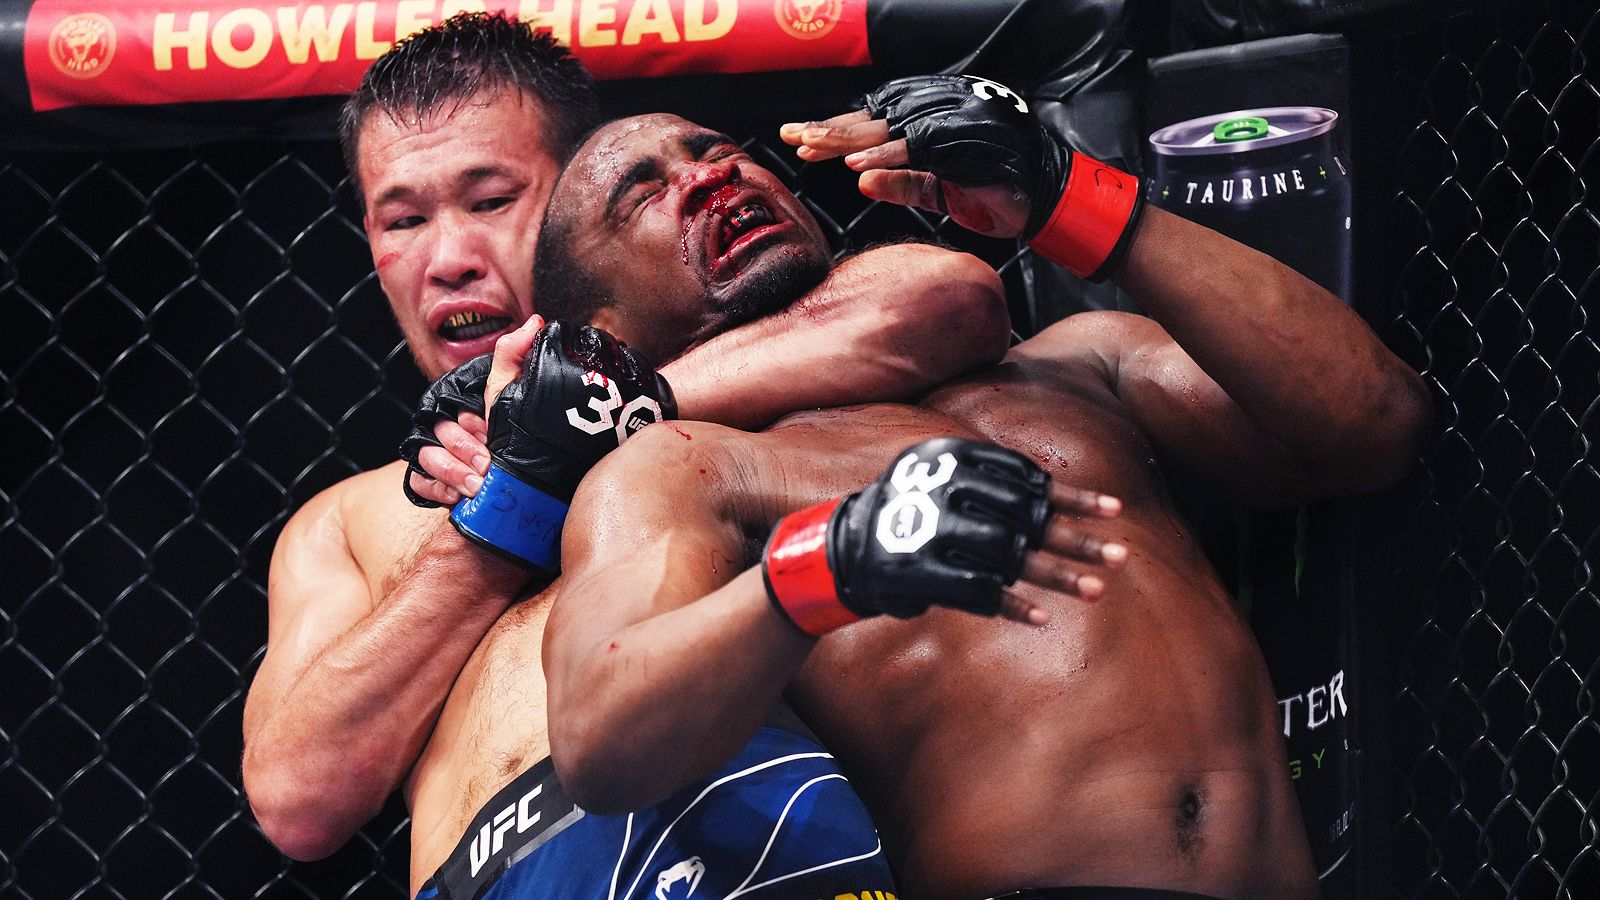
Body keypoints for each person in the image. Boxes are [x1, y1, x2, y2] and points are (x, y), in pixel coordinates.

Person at [526, 88, 1431, 899]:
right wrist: (827, 565)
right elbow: (602, 739)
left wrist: (1065, 190)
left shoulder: (1078, 363)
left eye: (716, 150)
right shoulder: (689, 465)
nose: (707, 176)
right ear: (602, 327)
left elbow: (1377, 421)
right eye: (643, 193)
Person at [240, 15, 1018, 896]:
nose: (448, 259)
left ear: (582, 190)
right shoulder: (349, 518)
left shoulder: (750, 359)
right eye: (404, 219)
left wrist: (606, 408)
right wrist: (511, 499)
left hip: (759, 819)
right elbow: (297, 800)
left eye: (491, 201)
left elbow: (946, 297)